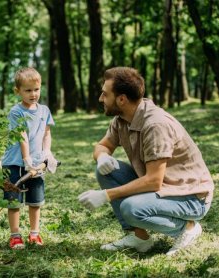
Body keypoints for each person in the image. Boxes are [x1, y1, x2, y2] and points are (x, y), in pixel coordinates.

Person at [78, 67, 214, 255]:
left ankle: (187, 228)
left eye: (105, 94)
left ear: (122, 99)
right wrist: (101, 157)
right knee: (105, 171)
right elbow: (102, 146)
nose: (101, 99)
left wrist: (106, 195)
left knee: (130, 208)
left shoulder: (155, 124)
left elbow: (153, 181)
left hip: (191, 197)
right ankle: (139, 237)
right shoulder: (121, 118)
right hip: (164, 186)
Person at [1, 67, 58, 249]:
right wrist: (27, 161)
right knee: (14, 201)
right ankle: (15, 235)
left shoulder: (44, 111)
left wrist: (47, 153)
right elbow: (22, 136)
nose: (33, 94)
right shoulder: (16, 112)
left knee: (35, 200)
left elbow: (47, 133)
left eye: (36, 89)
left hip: (37, 164)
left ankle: (34, 234)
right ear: (18, 91)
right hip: (15, 163)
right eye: (28, 90)